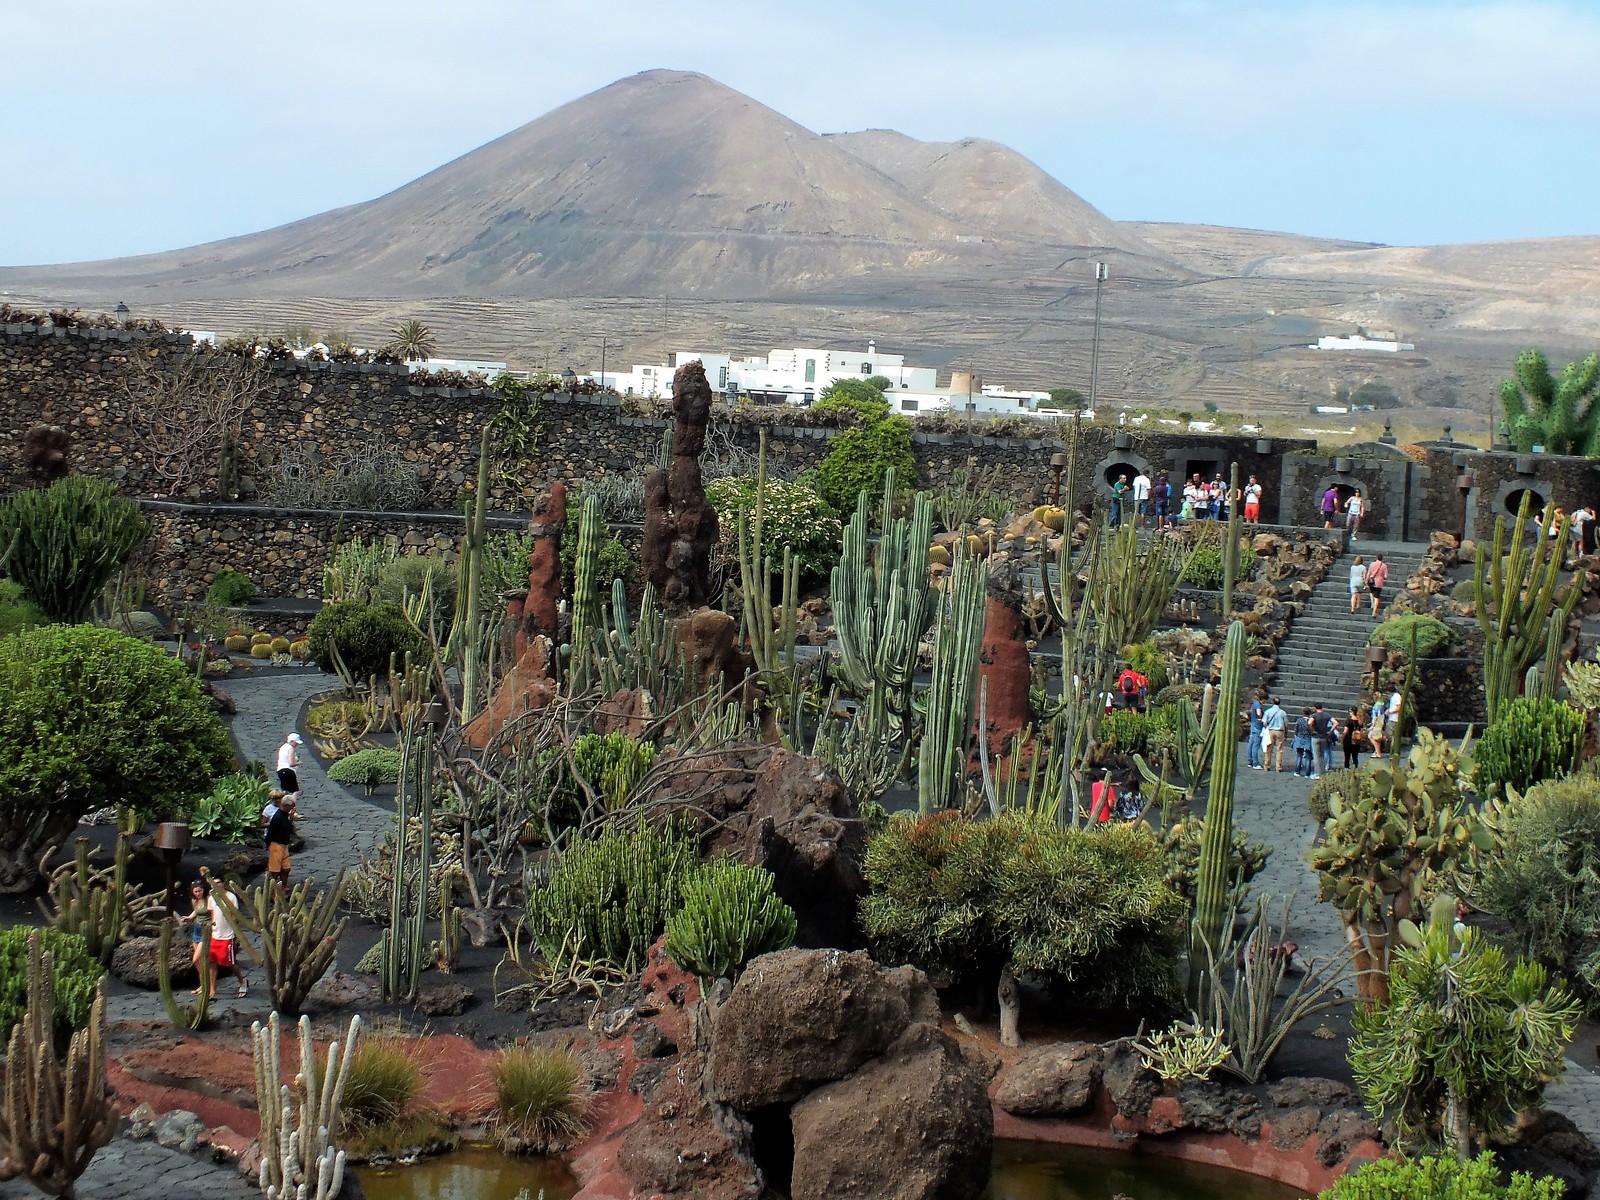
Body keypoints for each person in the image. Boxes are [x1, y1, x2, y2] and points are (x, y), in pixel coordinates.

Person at [195, 879, 247, 1000]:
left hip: (227, 935)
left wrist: (234, 927)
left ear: (223, 883)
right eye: (214, 883)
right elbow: (213, 914)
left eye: (218, 882)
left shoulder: (231, 897)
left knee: (228, 962)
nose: (216, 885)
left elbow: (235, 914)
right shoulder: (212, 897)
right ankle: (212, 991)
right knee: (212, 962)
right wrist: (211, 925)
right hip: (214, 935)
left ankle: (242, 980)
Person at [266, 795, 296, 891]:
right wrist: (269, 845)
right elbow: (271, 833)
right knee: (275, 871)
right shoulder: (278, 817)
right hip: (276, 845)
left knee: (286, 868)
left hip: (284, 845)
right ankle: (272, 891)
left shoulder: (285, 815)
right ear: (286, 805)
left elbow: (287, 828)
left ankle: (283, 887)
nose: (293, 809)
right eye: (292, 806)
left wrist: (290, 818)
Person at [1262, 696, 1287, 773]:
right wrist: (1286, 733)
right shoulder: (1282, 712)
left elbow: (1264, 722)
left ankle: (1267, 765)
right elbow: (1286, 724)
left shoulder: (1268, 711)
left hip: (1270, 730)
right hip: (1280, 730)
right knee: (1279, 749)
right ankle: (1278, 767)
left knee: (1269, 748)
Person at [1311, 702, 1334, 777]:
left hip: (1316, 737)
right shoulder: (1327, 715)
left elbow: (1309, 722)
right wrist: (1330, 731)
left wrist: (1312, 730)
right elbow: (1336, 723)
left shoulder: (1314, 715)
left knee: (1316, 756)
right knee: (1322, 755)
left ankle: (1317, 773)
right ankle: (1322, 772)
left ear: (1315, 708)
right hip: (1324, 737)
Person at [1291, 707, 1316, 778]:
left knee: (1299, 755)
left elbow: (1296, 730)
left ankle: (1297, 771)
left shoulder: (1299, 720)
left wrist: (1296, 735)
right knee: (1308, 757)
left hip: (1300, 738)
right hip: (1308, 738)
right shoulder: (1311, 721)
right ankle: (1307, 773)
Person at [1247, 692, 1266, 771]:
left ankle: (1250, 761)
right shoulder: (1258, 705)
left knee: (1251, 744)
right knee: (1256, 745)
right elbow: (1259, 713)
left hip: (1253, 725)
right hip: (1258, 727)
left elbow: (1251, 711)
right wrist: (1261, 717)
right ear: (1264, 699)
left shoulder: (1254, 703)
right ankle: (1255, 763)